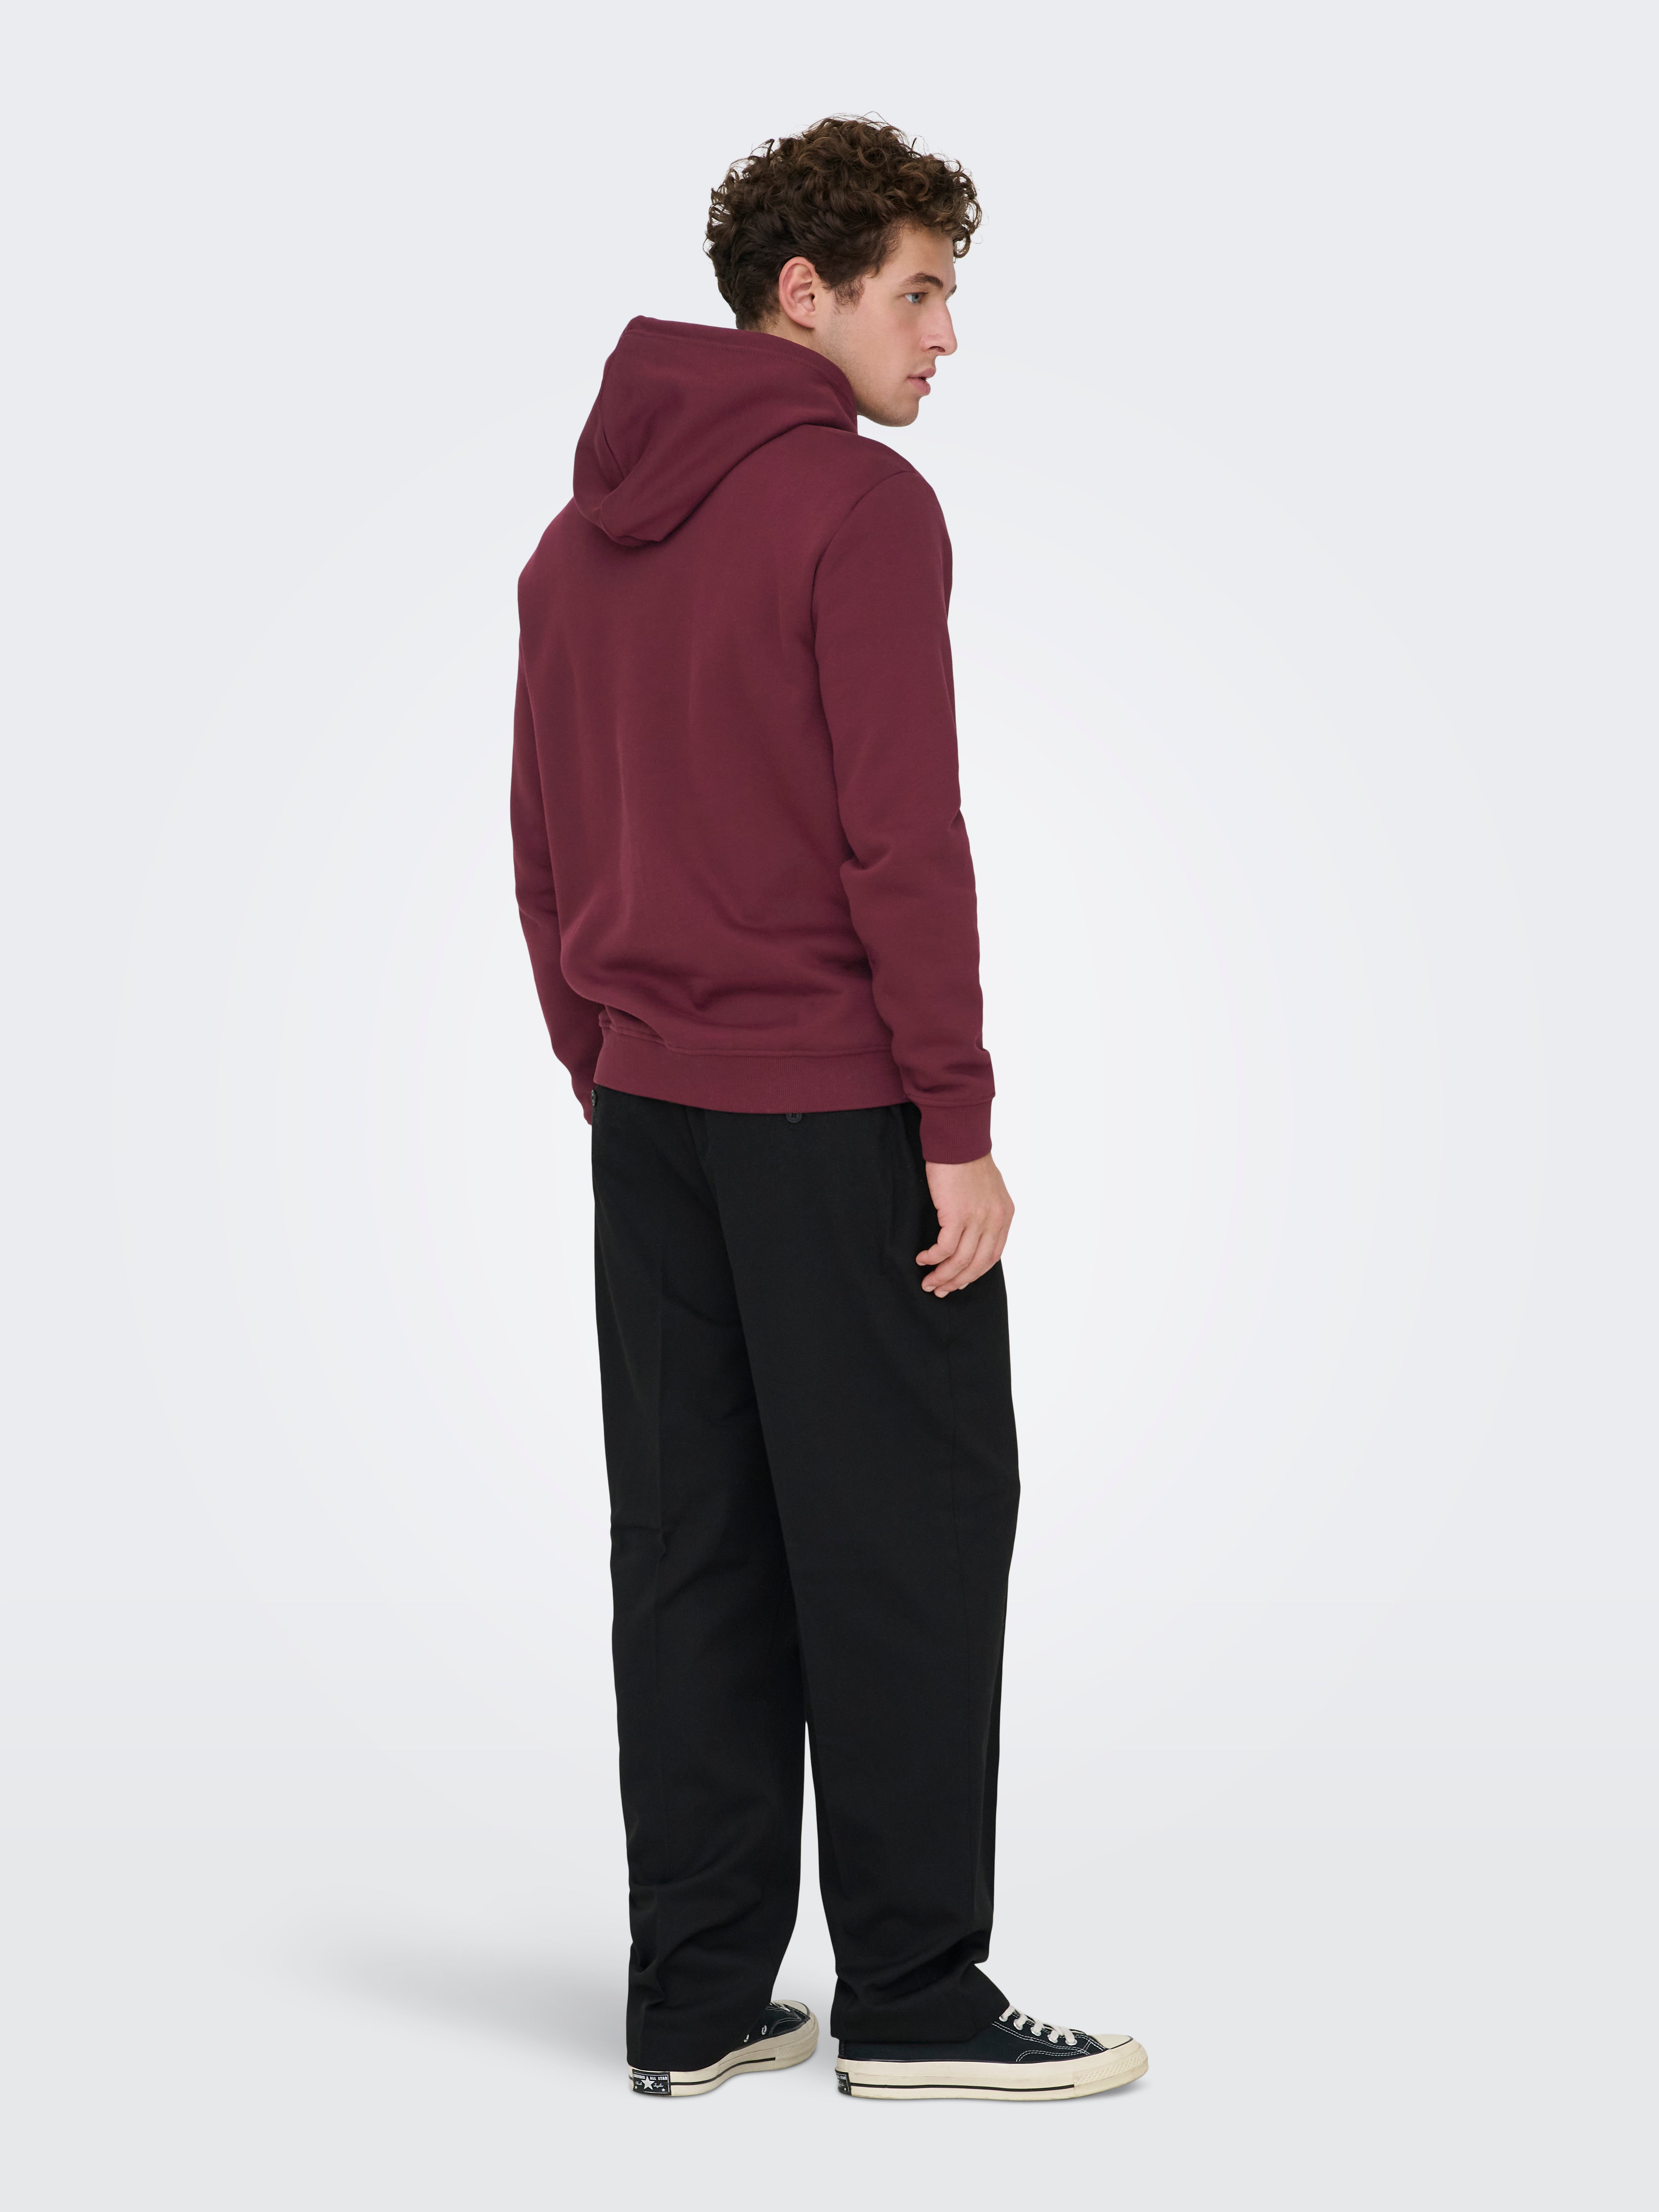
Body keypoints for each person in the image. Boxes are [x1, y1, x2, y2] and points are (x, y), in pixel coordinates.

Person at [511, 115, 1147, 2104]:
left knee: (693, 1543)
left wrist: (608, 1063)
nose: (947, 336)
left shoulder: (572, 544)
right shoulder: (855, 508)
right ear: (807, 293)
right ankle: (918, 2001)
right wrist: (952, 1118)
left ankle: (697, 1997)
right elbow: (903, 844)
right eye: (921, 291)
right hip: (833, 1111)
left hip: (655, 1120)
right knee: (910, 1534)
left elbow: (542, 843)